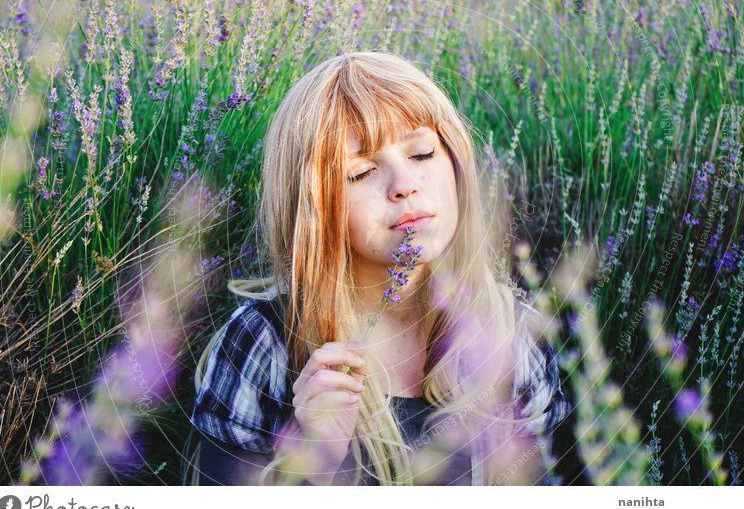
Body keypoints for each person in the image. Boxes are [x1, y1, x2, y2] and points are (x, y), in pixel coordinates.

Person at [189, 51, 573, 486]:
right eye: (361, 173)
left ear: (456, 163)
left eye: (423, 153)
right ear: (315, 206)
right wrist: (316, 464)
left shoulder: (512, 336)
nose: (404, 185)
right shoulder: (268, 345)